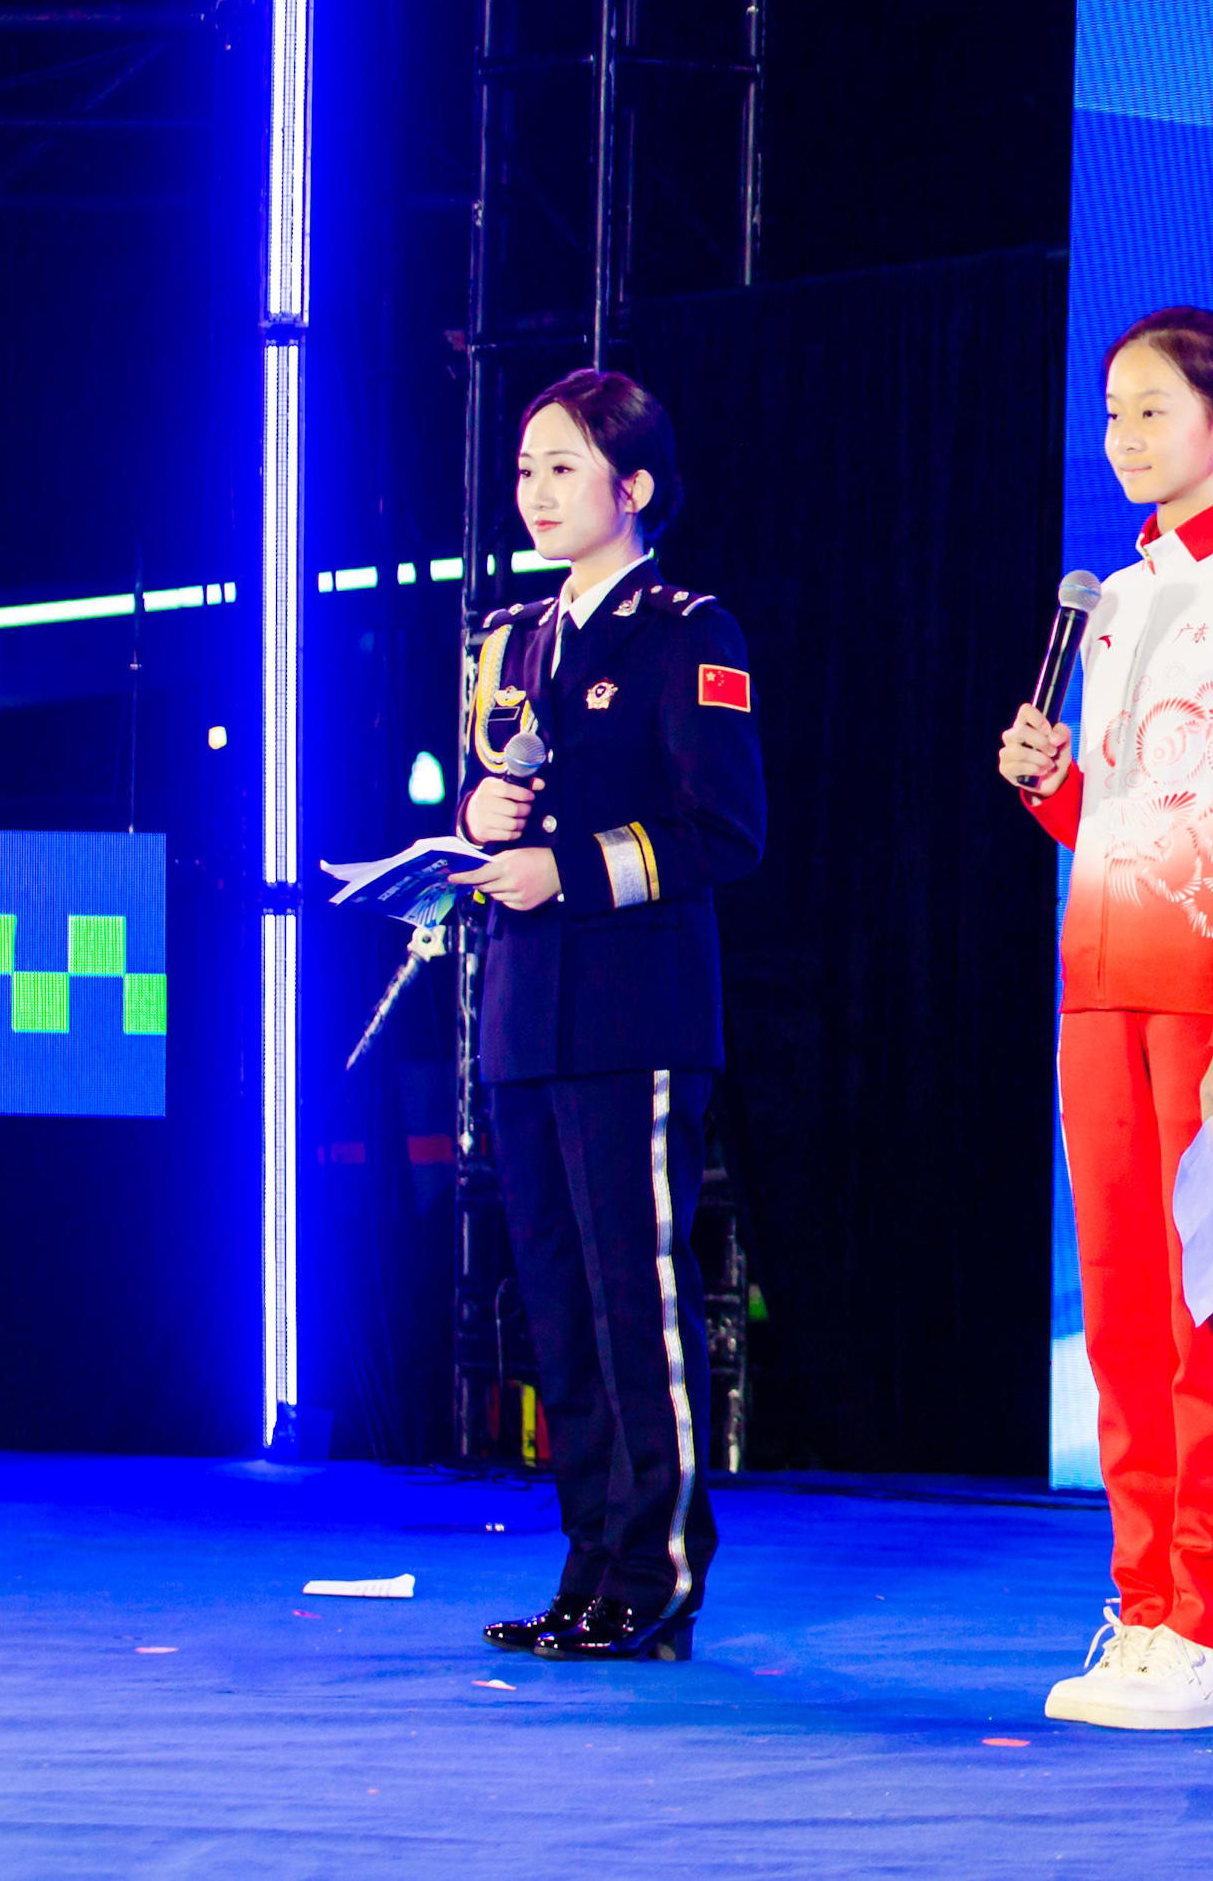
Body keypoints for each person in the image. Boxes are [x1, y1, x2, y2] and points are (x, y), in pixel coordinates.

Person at [996, 307, 1213, 1734]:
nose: (1126, 437)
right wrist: (1051, 787)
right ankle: (1142, 1606)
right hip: (1099, 986)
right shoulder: (1117, 599)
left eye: (1153, 410)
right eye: (1113, 413)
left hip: (1210, 1004)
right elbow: (1128, 822)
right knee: (1127, 1321)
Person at [455, 369, 766, 1665]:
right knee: (558, 1301)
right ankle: (589, 1567)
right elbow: (492, 792)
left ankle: (658, 1575)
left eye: (564, 467)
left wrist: (567, 869)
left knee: (636, 1296)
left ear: (633, 487)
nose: (535, 491)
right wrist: (476, 818)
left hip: (634, 1013)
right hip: (526, 1008)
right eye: (527, 467)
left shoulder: (689, 630)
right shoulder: (509, 638)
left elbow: (724, 832)